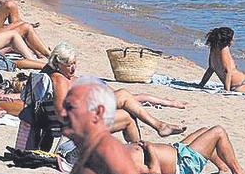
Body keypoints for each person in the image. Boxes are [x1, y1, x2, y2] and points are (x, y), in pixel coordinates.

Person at [47, 43, 185, 142]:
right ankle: (159, 126)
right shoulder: (59, 79)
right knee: (124, 95)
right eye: (69, 65)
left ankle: (137, 150)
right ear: (58, 63)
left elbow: (132, 99)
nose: (73, 68)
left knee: (128, 115)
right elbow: (61, 114)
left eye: (74, 63)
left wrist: (167, 102)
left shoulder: (73, 79)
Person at [128, 125, 245, 174]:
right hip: (184, 163)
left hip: (178, 150)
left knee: (204, 131)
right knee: (218, 131)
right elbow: (154, 171)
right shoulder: (124, 162)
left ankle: (223, 168)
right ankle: (238, 171)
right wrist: (150, 148)